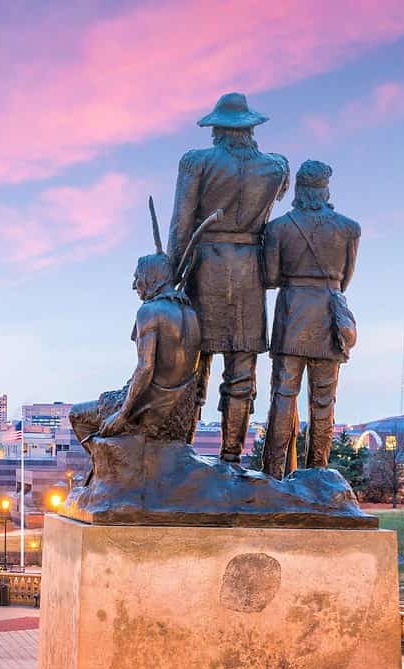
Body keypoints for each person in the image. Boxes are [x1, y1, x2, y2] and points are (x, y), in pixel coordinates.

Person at [167, 92, 289, 462]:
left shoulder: (196, 162)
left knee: (191, 365)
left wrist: (170, 278)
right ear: (251, 128)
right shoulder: (277, 167)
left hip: (205, 267)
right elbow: (279, 198)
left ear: (217, 128)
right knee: (241, 369)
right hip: (250, 269)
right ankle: (231, 456)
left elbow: (181, 223)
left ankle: (182, 452)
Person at [261, 160, 360, 479]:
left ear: (300, 191)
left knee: (283, 396)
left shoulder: (277, 228)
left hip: (291, 317)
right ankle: (317, 470)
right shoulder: (349, 228)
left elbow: (271, 277)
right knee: (323, 400)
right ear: (325, 189)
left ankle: (274, 472)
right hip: (328, 319)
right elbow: (345, 280)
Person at [70, 216, 202, 445]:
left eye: (137, 277)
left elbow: (145, 368)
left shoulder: (149, 311)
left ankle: (111, 475)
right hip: (179, 414)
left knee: (76, 415)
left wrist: (121, 415)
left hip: (151, 410)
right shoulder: (190, 314)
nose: (134, 285)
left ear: (151, 277)